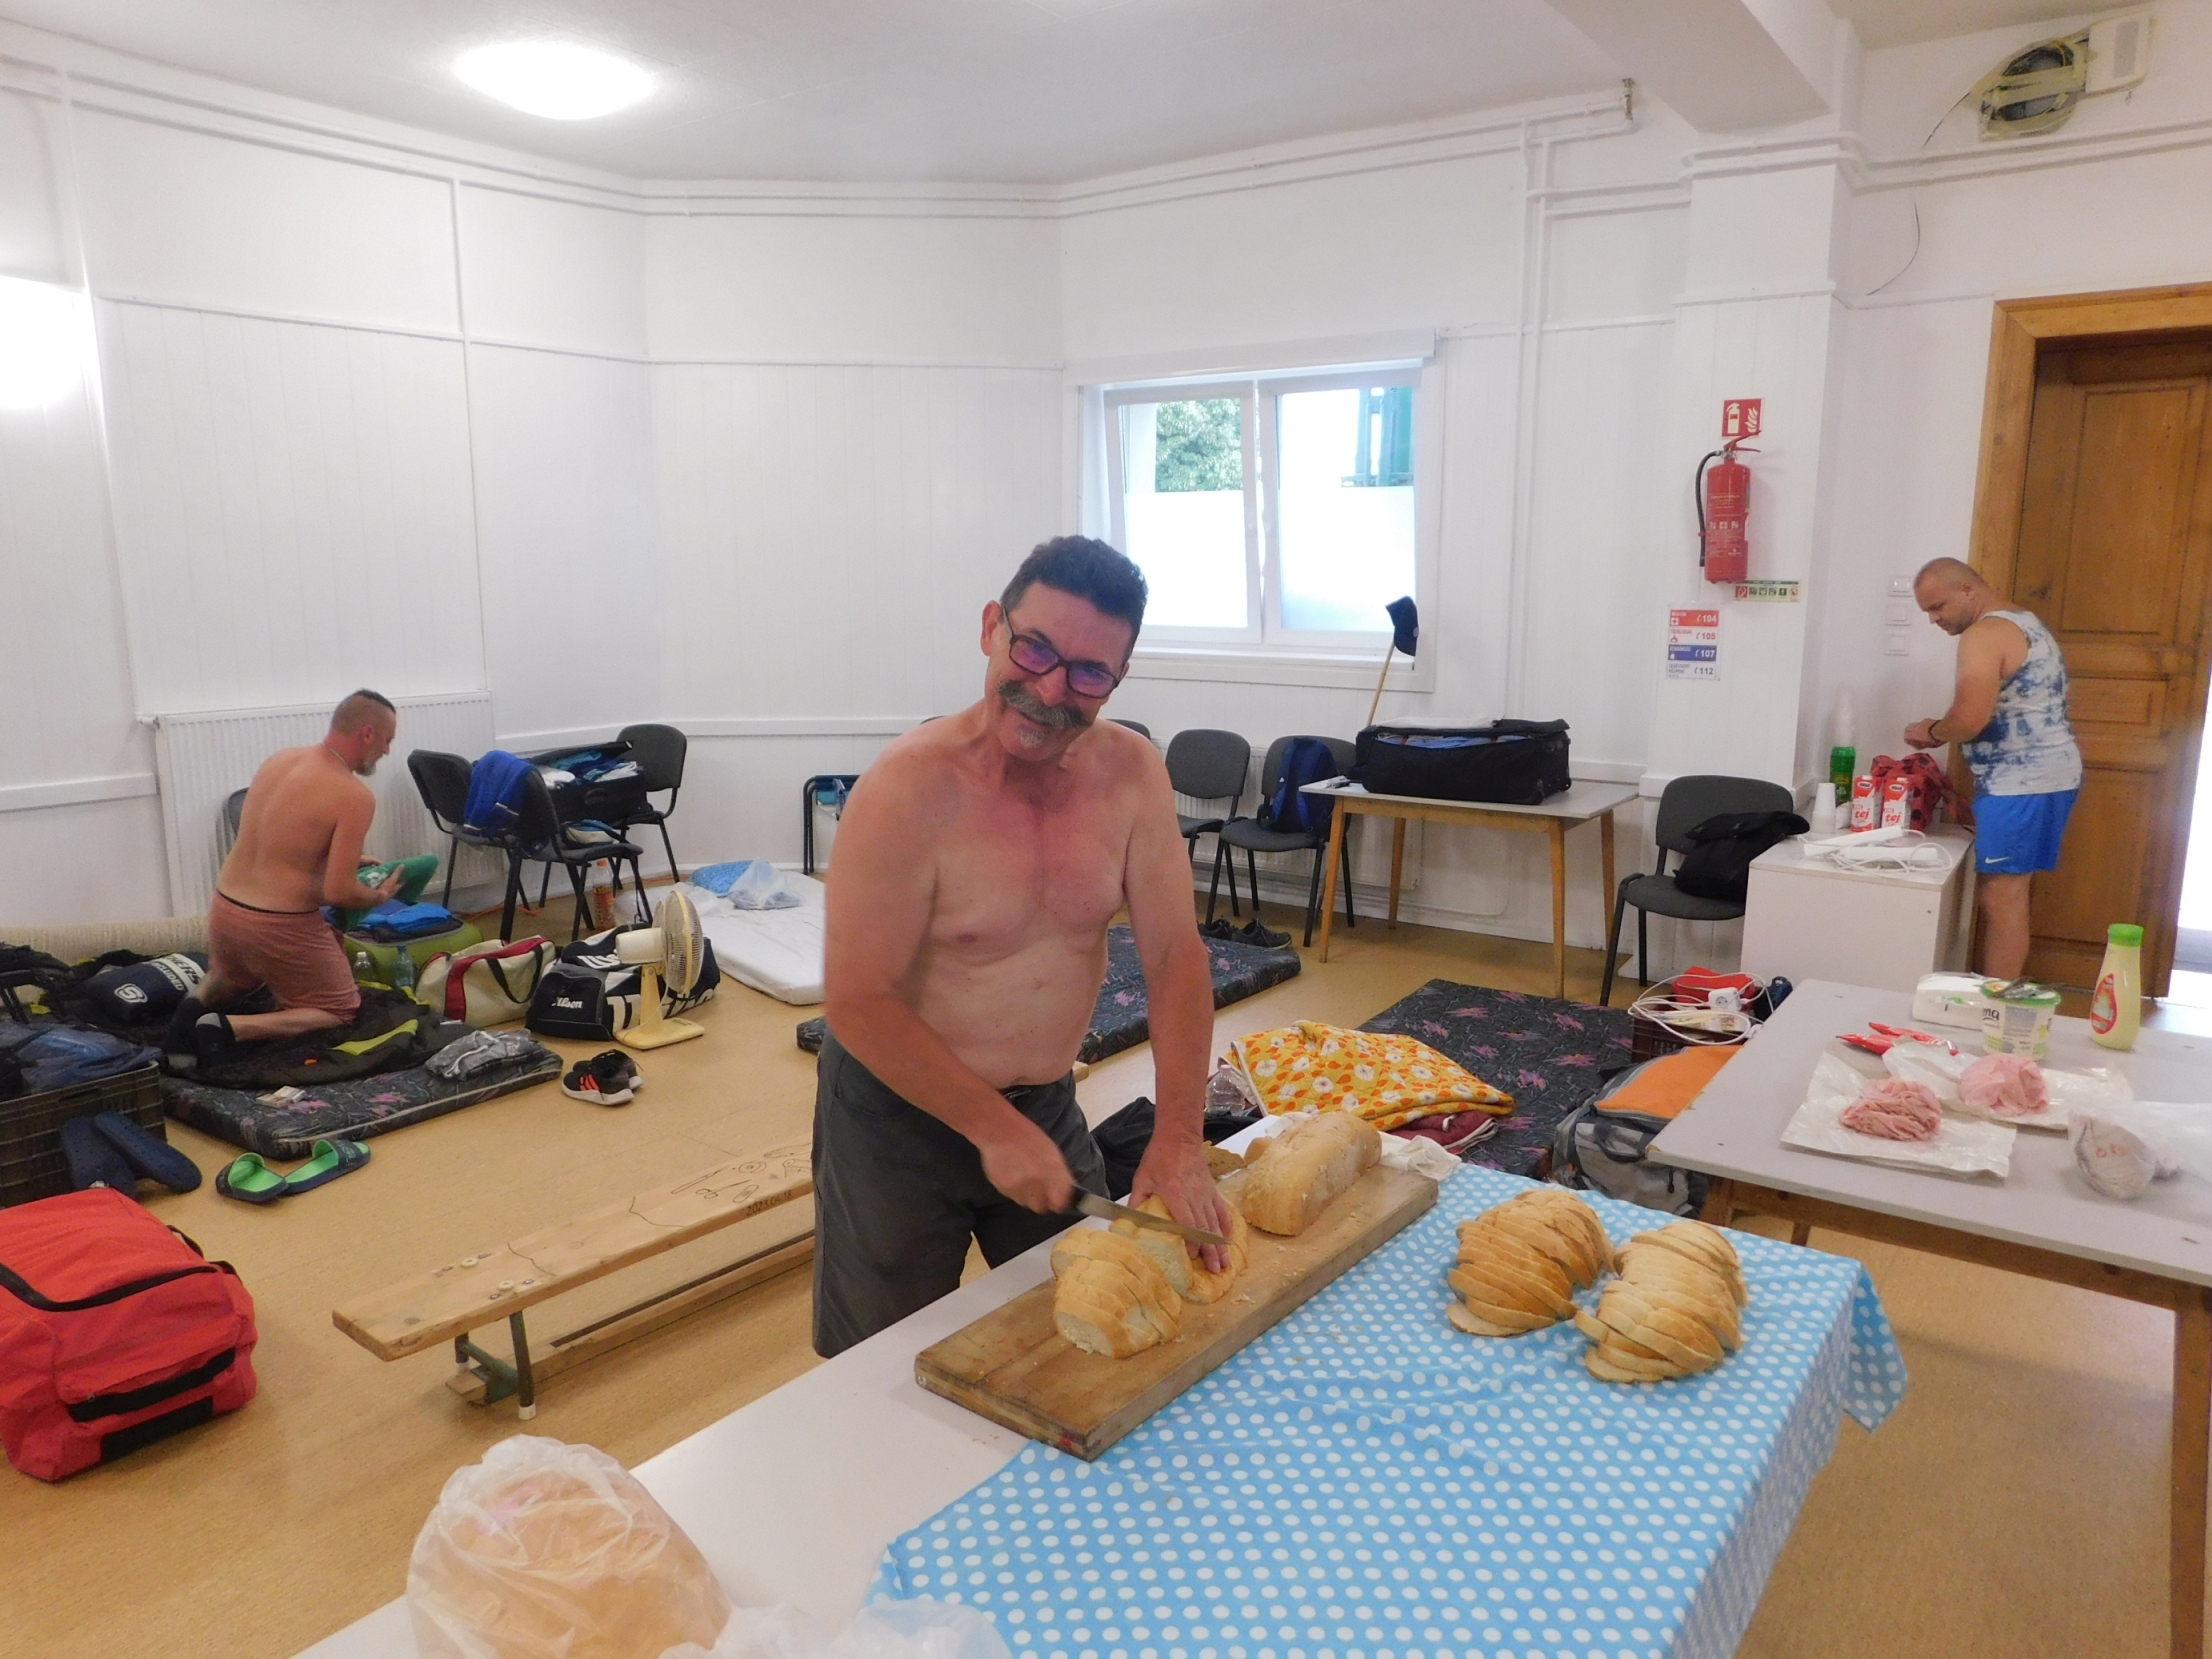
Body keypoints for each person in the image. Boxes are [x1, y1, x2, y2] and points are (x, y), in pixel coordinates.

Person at [813, 535, 1235, 1358]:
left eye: (1087, 674)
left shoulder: (1132, 776)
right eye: (1034, 648)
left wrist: (1180, 1137)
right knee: (877, 1367)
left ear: (1118, 678)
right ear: (991, 628)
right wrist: (989, 1127)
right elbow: (859, 1001)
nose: (1048, 690)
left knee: (1094, 1328)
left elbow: (1175, 959)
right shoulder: (906, 789)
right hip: (894, 1122)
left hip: (1042, 1105)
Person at [164, 690, 406, 1069]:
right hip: (277, 928)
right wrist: (378, 896)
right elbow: (338, 891)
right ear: (367, 733)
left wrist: (347, 859)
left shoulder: (281, 760)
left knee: (232, 976)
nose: (387, 751)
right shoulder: (354, 795)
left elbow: (282, 843)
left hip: (226, 910)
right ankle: (227, 1028)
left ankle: (192, 1009)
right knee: (340, 1008)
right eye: (387, 741)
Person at [1905, 557, 2083, 980]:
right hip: (2045, 776)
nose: (1933, 619)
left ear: (1968, 590)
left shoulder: (1985, 634)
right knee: (2008, 892)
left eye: (1938, 607)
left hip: (2021, 782)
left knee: (2002, 896)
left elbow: (1969, 718)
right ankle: (1999, 996)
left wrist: (1931, 731)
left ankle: (1997, 1004)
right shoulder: (2025, 621)